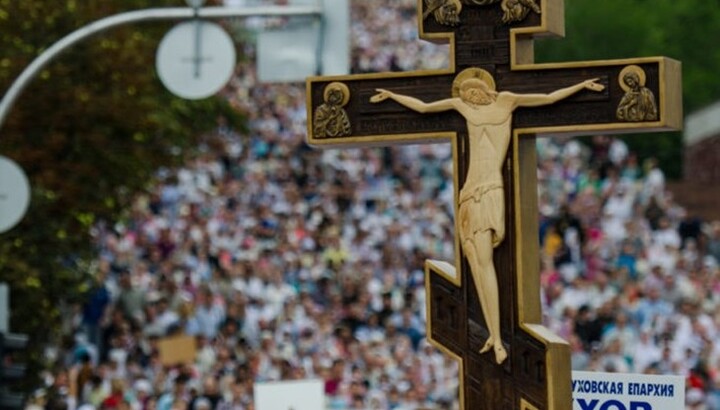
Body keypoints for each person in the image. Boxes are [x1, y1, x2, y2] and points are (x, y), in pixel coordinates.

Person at [370, 68, 604, 364]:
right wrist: (392, 96)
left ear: (483, 90)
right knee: (472, 261)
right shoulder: (462, 107)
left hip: (490, 189)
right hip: (468, 190)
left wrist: (581, 85)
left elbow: (547, 98)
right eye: (466, 95)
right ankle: (493, 334)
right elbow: (424, 107)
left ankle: (496, 334)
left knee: (484, 260)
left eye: (473, 93)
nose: (470, 98)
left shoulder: (506, 101)